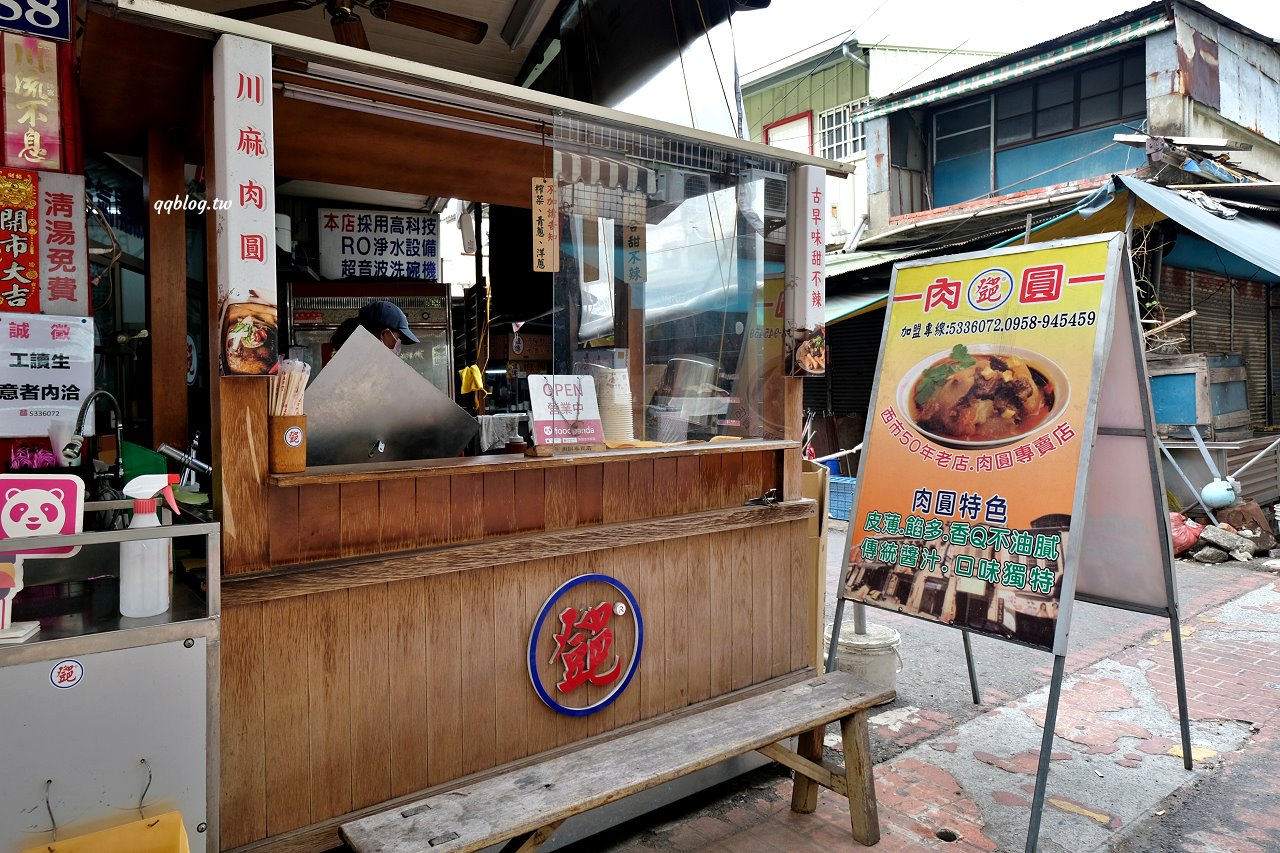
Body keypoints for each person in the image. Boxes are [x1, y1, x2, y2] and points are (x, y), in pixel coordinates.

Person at [328, 300, 420, 355]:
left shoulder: (350, 358)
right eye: (399, 338)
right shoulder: (365, 370)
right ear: (383, 334)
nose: (399, 346)